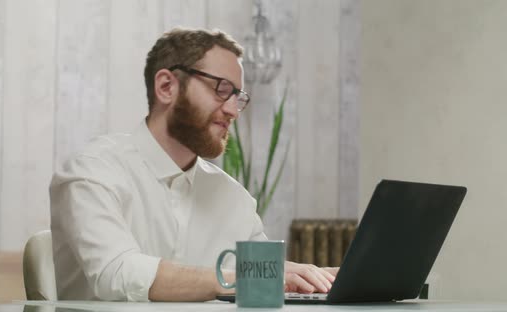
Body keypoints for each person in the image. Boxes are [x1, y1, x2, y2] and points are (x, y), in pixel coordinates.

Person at [50, 28, 337, 302]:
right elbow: (117, 273)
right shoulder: (93, 172)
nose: (231, 111)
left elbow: (264, 278)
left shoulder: (234, 199)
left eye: (238, 98)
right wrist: (243, 277)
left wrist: (314, 280)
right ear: (166, 87)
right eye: (221, 89)